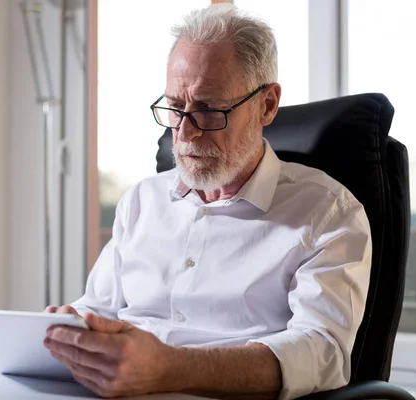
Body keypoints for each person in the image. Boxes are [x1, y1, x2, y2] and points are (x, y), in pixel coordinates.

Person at [44, 4, 371, 400]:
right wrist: (72, 330)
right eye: (175, 108)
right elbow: (100, 308)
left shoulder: (327, 213)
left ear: (266, 105)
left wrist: (171, 369)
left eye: (209, 110)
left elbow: (323, 353)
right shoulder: (142, 202)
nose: (184, 134)